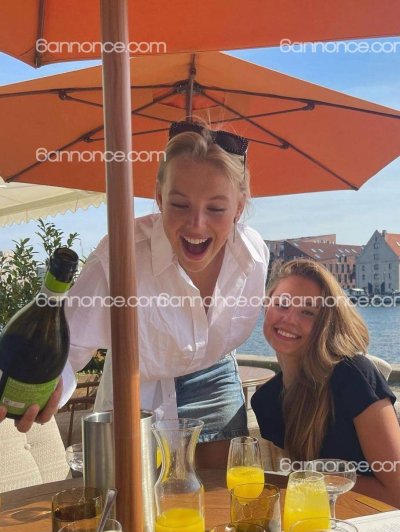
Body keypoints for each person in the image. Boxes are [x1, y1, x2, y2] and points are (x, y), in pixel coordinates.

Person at [1, 121, 268, 467]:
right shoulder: (119, 258)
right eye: (179, 204)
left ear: (239, 207)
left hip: (215, 377)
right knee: (136, 496)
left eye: (216, 209)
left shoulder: (253, 256)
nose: (197, 224)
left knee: (223, 491)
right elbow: (67, 349)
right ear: (159, 197)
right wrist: (47, 389)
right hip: (138, 385)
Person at [251, 259, 400, 507]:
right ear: (267, 305)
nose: (290, 319)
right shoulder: (266, 401)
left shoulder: (353, 376)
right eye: (282, 304)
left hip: (376, 520)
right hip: (321, 520)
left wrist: (308, 479)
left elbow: (397, 493)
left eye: (308, 312)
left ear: (326, 322)